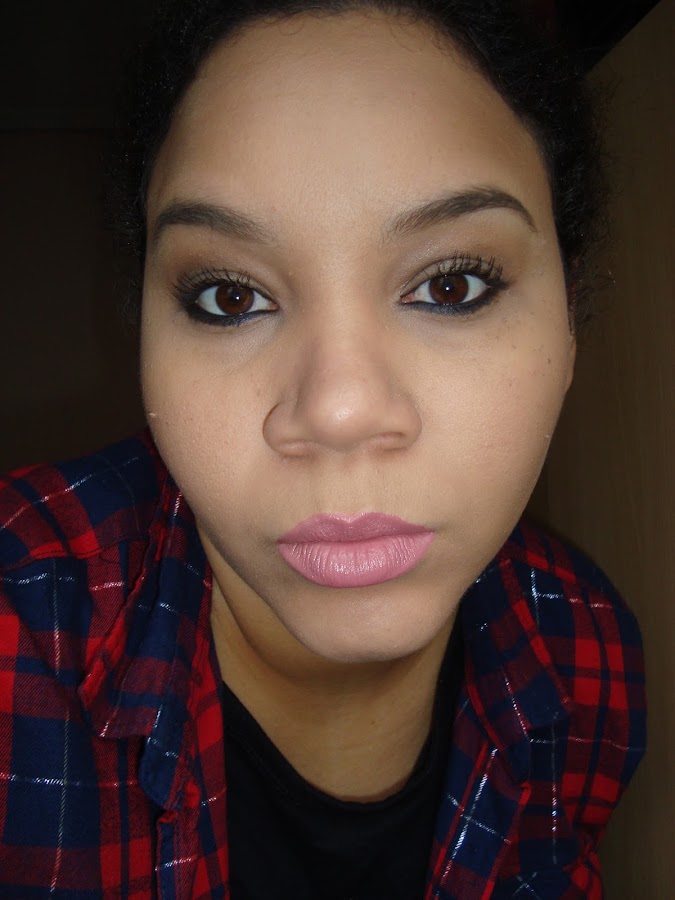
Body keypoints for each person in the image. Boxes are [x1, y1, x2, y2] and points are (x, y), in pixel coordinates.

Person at [0, 0, 646, 897]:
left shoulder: (587, 647)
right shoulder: (19, 632)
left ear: (568, 329)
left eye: (451, 286)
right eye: (229, 297)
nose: (338, 411)